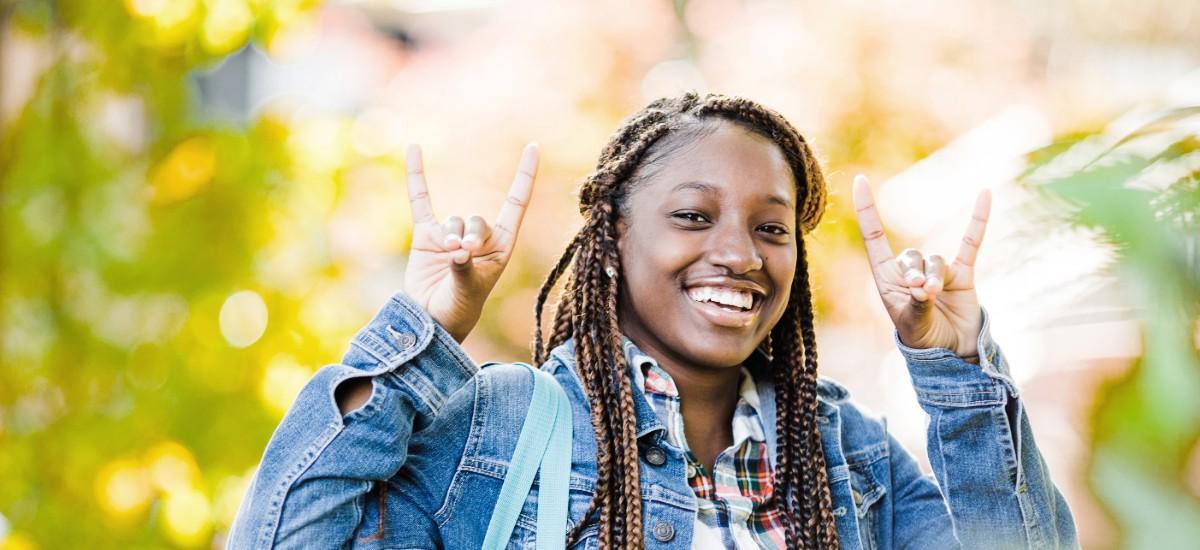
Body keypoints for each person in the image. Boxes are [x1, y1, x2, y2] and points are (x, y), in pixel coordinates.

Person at [228, 92, 1077, 549]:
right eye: (694, 216)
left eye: (771, 227)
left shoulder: (846, 457)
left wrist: (957, 366)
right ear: (609, 244)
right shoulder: (499, 428)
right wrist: (421, 335)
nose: (741, 254)